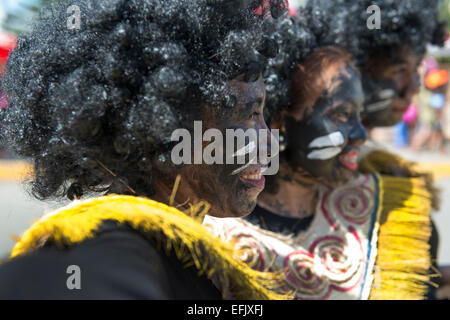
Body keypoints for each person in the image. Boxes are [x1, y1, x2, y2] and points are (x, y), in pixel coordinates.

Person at [0, 0, 290, 299]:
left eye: (263, 115)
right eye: (248, 115)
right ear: (162, 125)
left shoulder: (188, 252)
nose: (269, 145)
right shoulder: (115, 252)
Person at [205, 5, 439, 300]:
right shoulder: (209, 227)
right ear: (280, 121)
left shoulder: (387, 213)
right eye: (341, 115)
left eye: (358, 113)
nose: (360, 134)